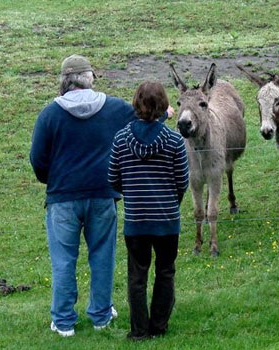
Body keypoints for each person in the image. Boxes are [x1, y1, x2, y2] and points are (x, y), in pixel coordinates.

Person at [29, 54, 137, 337]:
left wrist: (52, 181)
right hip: (103, 194)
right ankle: (101, 315)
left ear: (65, 81)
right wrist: (166, 114)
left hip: (62, 198)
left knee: (63, 259)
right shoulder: (114, 108)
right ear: (90, 78)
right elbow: (145, 119)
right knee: (102, 256)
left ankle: (64, 322)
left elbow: (37, 159)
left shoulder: (50, 114)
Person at [108, 81, 188, 340]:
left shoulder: (121, 139)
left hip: (136, 220)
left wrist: (131, 193)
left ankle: (139, 330)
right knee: (165, 271)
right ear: (164, 105)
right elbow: (182, 181)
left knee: (137, 275)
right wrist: (170, 203)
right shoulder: (174, 141)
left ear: (136, 104)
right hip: (166, 220)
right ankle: (159, 326)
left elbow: (113, 178)